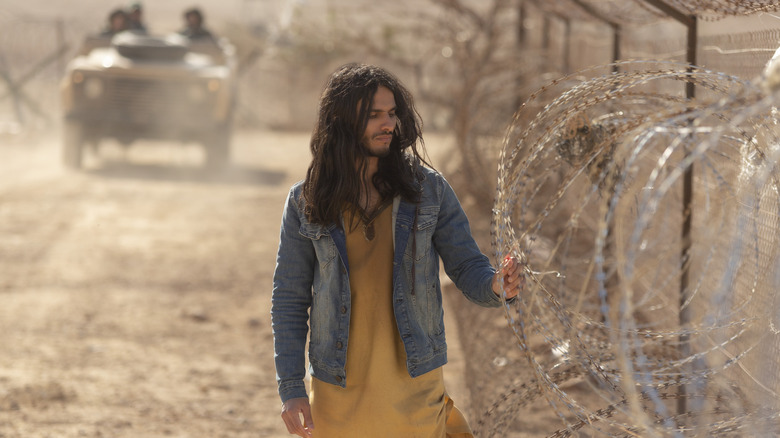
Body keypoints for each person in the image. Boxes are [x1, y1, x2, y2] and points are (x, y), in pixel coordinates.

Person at [271, 63, 524, 438]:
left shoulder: (429, 191)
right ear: (341, 120)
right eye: (374, 115)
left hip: (414, 390)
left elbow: (467, 265)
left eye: (391, 114)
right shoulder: (306, 200)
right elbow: (289, 299)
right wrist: (292, 389)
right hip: (337, 391)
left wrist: (496, 287)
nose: (387, 124)